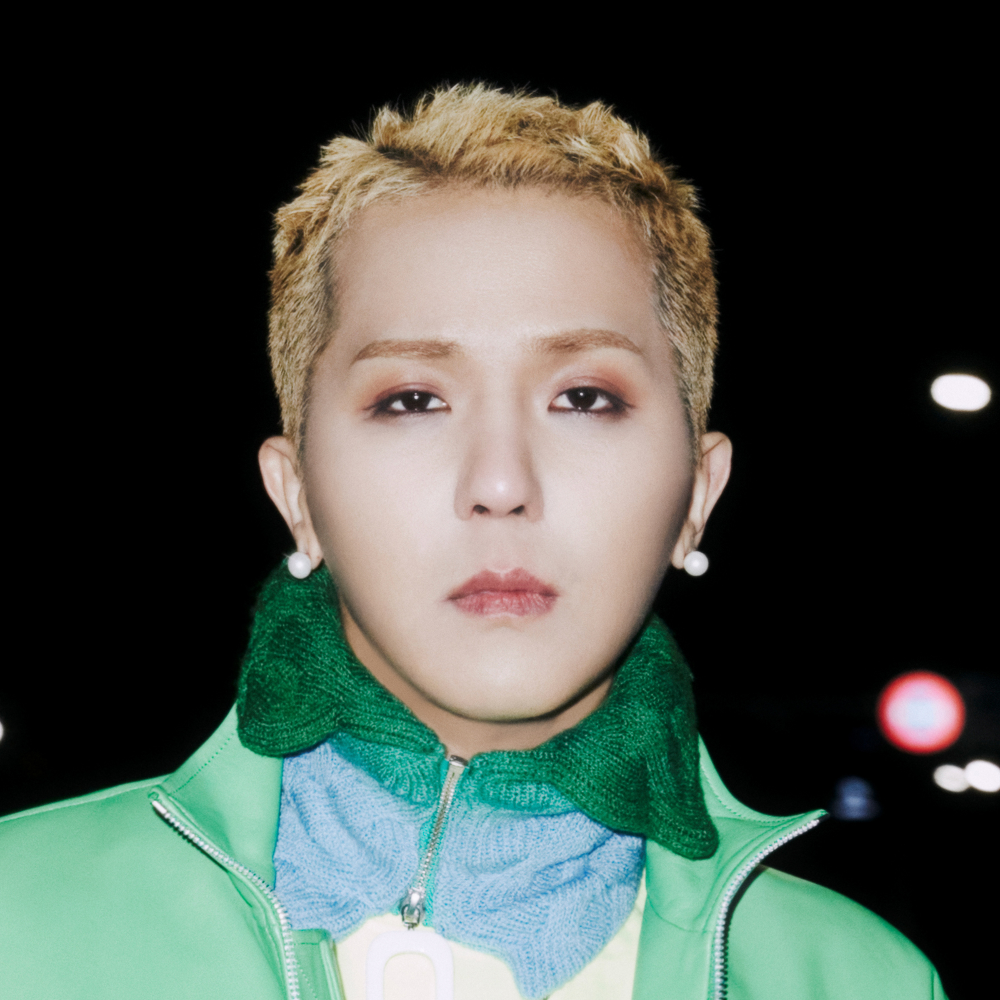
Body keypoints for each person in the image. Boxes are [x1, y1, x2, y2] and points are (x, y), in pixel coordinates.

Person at [0, 84, 946, 1000]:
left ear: (697, 494)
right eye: (412, 400)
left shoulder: (866, 983)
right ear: (298, 495)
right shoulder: (19, 918)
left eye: (584, 397)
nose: (499, 482)